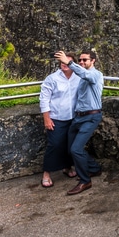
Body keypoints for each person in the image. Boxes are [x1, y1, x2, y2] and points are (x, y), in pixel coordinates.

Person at [53, 48, 103, 195]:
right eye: (79, 60)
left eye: (84, 60)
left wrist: (69, 62)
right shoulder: (81, 76)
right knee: (71, 149)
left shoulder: (95, 74)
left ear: (93, 61)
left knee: (76, 149)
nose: (81, 62)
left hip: (91, 116)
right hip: (78, 117)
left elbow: (87, 75)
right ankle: (94, 168)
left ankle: (85, 180)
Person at [39, 52, 78, 187]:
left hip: (73, 118)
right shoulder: (52, 78)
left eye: (67, 61)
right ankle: (46, 173)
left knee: (70, 145)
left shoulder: (78, 77)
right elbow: (44, 99)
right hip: (57, 118)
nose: (64, 63)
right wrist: (47, 119)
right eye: (62, 61)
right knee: (54, 145)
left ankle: (67, 167)